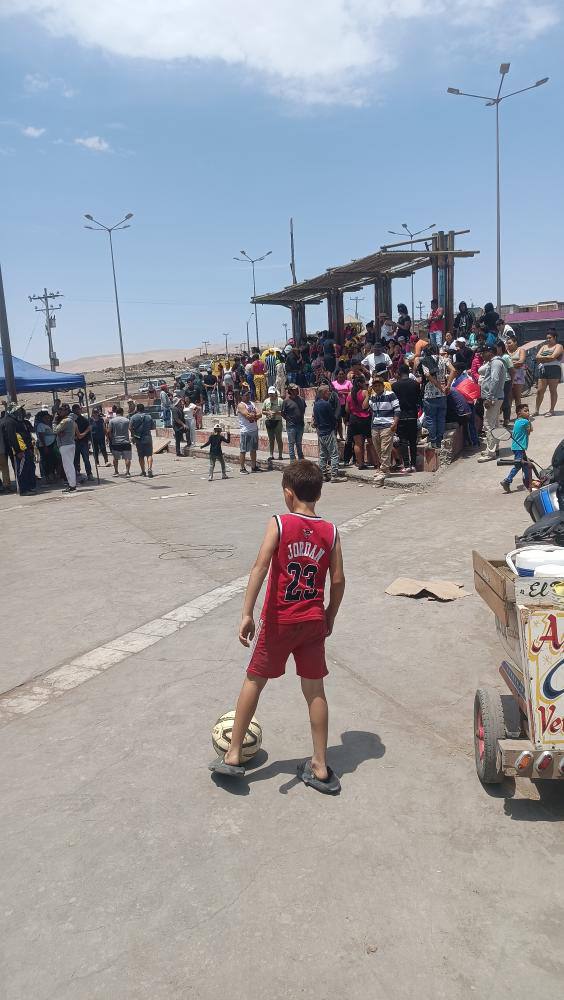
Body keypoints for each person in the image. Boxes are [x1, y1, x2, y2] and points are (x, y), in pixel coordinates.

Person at [208, 459, 345, 793]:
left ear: (287, 494)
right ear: (320, 493)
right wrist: (329, 615)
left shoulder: (280, 523)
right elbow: (339, 580)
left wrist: (246, 613)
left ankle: (234, 753)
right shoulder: (331, 531)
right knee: (315, 691)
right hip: (312, 620)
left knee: (255, 680)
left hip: (280, 620)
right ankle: (320, 765)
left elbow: (260, 567)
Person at [369, 375, 400, 485]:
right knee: (379, 449)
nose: (376, 388)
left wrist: (394, 423)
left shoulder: (390, 395)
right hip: (375, 426)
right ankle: (385, 469)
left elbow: (397, 410)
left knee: (385, 448)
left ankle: (383, 470)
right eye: (374, 386)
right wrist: (368, 393)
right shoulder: (373, 397)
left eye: (378, 385)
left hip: (387, 425)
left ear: (383, 386)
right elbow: (368, 408)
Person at [477, 345, 506, 462]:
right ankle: (495, 447)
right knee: (495, 424)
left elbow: (495, 380)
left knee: (488, 424)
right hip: (496, 397)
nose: (481, 355)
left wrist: (489, 398)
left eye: (483, 352)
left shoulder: (496, 363)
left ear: (490, 352)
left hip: (493, 398)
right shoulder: (493, 362)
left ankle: (491, 452)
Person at [312, 385, 345, 484]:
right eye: (327, 392)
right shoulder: (326, 404)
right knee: (334, 454)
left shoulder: (316, 405)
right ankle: (334, 475)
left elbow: (316, 420)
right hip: (328, 431)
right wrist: (334, 426)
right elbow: (332, 418)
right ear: (323, 393)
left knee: (323, 455)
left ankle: (323, 475)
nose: (329, 394)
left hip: (321, 432)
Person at [392, 363, 421, 472]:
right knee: (413, 441)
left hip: (401, 416)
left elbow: (394, 403)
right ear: (408, 372)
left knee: (403, 441)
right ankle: (413, 465)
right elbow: (418, 399)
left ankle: (406, 465)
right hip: (413, 415)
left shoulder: (395, 386)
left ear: (399, 373)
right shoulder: (415, 384)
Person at [4, 402, 37, 495]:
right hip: (21, 450)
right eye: (17, 410)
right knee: (22, 470)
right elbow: (12, 437)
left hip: (26, 448)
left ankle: (30, 487)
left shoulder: (18, 421)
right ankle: (24, 489)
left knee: (29, 468)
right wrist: (18, 450)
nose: (19, 412)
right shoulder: (9, 422)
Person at [346, 374, 377, 469]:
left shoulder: (350, 394)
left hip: (353, 419)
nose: (366, 384)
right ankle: (376, 463)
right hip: (365, 419)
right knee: (371, 442)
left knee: (357, 443)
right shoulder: (364, 392)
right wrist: (368, 394)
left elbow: (347, 409)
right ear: (360, 383)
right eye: (364, 383)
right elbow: (365, 406)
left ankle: (360, 463)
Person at [500, 403, 532, 493]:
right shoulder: (525, 422)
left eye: (528, 410)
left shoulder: (517, 421)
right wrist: (528, 420)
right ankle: (507, 480)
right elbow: (530, 431)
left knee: (526, 465)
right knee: (518, 465)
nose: (528, 412)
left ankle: (528, 483)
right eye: (525, 411)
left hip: (516, 447)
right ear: (519, 413)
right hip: (519, 447)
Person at [420, 353, 447, 451]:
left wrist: (437, 385)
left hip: (429, 395)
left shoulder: (425, 360)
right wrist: (446, 386)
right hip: (442, 394)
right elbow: (453, 370)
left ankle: (433, 441)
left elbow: (427, 374)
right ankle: (440, 440)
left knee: (431, 419)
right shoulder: (444, 359)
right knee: (440, 418)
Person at [534, 328, 563, 417]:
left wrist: (544, 358)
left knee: (552, 390)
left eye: (550, 338)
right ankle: (536, 410)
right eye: (547, 338)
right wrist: (548, 358)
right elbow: (537, 357)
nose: (548, 339)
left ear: (554, 337)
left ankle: (551, 410)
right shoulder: (543, 346)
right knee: (539, 391)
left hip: (554, 369)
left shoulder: (559, 346)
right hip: (543, 369)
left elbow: (554, 356)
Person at [52, 403, 78, 492]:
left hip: (65, 445)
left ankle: (72, 485)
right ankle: (72, 484)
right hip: (70, 443)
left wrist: (54, 421)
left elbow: (55, 430)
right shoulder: (72, 420)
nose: (60, 412)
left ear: (66, 411)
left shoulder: (65, 421)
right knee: (70, 465)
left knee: (68, 466)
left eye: (61, 410)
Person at [237, 387, 261, 474]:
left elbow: (260, 414)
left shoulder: (252, 403)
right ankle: (242, 468)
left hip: (254, 429)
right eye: (246, 395)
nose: (248, 396)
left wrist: (254, 415)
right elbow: (247, 415)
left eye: (248, 394)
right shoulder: (241, 405)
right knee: (243, 450)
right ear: (242, 396)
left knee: (253, 449)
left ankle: (253, 466)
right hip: (245, 430)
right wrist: (254, 415)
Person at [281, 384, 306, 462]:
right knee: (291, 443)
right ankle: (292, 460)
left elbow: (304, 409)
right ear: (290, 391)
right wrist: (288, 419)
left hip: (300, 425)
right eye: (294, 390)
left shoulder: (301, 399)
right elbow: (282, 413)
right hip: (291, 426)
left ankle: (301, 459)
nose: (297, 391)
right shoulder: (286, 401)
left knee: (299, 443)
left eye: (297, 389)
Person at [129, 402, 155, 477]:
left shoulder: (133, 417)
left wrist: (133, 434)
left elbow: (130, 427)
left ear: (137, 409)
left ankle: (143, 471)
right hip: (147, 437)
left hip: (138, 438)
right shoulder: (149, 417)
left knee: (141, 456)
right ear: (144, 409)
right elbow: (153, 427)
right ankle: (149, 469)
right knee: (149, 455)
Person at [108, 405, 132, 476]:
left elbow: (109, 431)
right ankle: (127, 472)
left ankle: (116, 472)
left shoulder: (112, 421)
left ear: (116, 412)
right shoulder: (127, 420)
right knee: (127, 458)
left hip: (116, 442)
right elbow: (130, 429)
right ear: (122, 412)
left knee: (115, 458)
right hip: (126, 441)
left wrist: (110, 439)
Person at [72, 404, 94, 482]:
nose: (78, 411)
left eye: (78, 409)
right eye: (76, 409)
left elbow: (89, 431)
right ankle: (77, 473)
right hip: (75, 442)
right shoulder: (71, 420)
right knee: (76, 459)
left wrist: (89, 441)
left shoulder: (84, 419)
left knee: (86, 459)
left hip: (83, 442)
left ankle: (89, 474)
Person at [263, 385, 284, 467]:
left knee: (279, 438)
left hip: (277, 421)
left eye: (272, 394)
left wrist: (276, 413)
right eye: (270, 394)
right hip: (269, 421)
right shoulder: (266, 401)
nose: (271, 395)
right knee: (271, 439)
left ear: (275, 393)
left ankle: (280, 454)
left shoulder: (280, 401)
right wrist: (268, 413)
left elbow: (283, 412)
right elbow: (263, 411)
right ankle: (271, 454)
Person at [506, 333, 527, 414]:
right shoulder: (506, 352)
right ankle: (507, 416)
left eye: (509, 343)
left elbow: (521, 362)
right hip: (508, 376)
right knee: (509, 397)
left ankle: (519, 414)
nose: (508, 345)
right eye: (507, 343)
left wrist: (509, 365)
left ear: (515, 342)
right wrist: (515, 363)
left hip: (519, 376)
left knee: (517, 397)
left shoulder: (521, 350)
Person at [35, 409, 57, 482]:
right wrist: (45, 446)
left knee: (51, 460)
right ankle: (46, 476)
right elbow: (41, 436)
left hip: (50, 444)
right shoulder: (41, 425)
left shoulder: (47, 424)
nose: (47, 418)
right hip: (45, 445)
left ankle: (51, 475)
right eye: (46, 417)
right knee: (46, 461)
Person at [496, 339, 514, 428]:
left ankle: (506, 419)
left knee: (505, 400)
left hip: (506, 380)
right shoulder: (495, 357)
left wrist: (512, 381)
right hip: (497, 381)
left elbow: (511, 370)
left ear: (500, 347)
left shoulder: (506, 357)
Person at [331, 368, 352, 441]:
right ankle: (339, 436)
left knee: (346, 420)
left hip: (346, 404)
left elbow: (351, 392)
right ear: (336, 375)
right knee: (338, 421)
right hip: (337, 405)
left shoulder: (348, 382)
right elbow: (332, 393)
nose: (341, 375)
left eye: (342, 374)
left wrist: (342, 393)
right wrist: (338, 393)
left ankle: (347, 436)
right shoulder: (333, 383)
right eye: (339, 374)